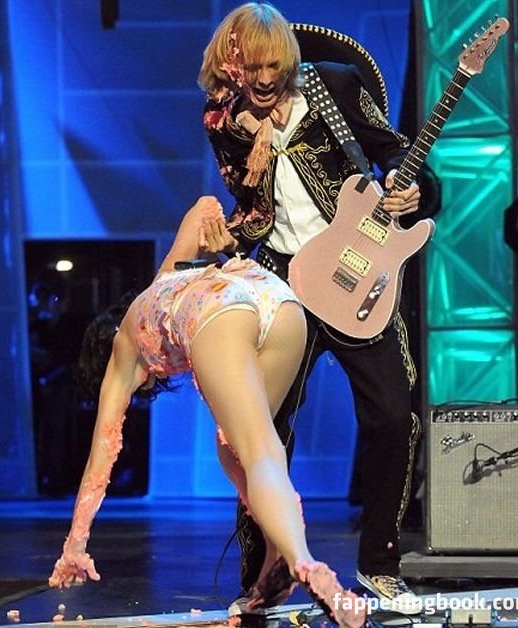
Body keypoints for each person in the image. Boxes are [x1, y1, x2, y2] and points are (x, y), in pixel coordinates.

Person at [48, 195, 366, 628]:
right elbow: (204, 206)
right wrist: (225, 229)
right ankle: (275, 567)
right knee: (249, 449)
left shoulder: (123, 351)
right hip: (278, 301)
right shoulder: (164, 279)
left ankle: (304, 562)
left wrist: (75, 544)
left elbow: (100, 456)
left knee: (254, 452)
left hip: (220, 309)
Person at [198, 2, 422, 614]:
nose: (264, 80)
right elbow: (250, 214)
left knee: (393, 416)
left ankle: (380, 564)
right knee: (260, 430)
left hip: (354, 275)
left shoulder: (336, 88)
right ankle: (263, 574)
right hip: (280, 282)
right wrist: (229, 224)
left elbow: (397, 152)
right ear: (232, 68)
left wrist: (408, 190)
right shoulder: (224, 121)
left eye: (274, 67)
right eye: (252, 70)